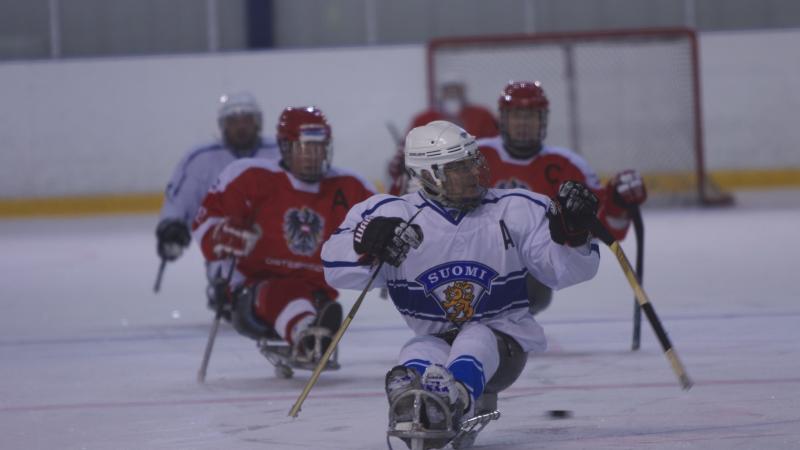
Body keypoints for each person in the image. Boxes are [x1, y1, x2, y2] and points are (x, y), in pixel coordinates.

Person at [321, 121, 600, 448]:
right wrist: (364, 241)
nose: (472, 173)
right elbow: (333, 267)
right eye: (458, 167)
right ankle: (415, 398)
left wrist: (574, 238)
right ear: (427, 174)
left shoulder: (517, 208)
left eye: (472, 162)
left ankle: (457, 398)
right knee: (418, 348)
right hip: (437, 338)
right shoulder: (391, 214)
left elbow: (567, 271)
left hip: (503, 347)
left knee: (476, 334)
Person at [192, 106, 375, 368]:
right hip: (252, 293)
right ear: (285, 147)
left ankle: (313, 331)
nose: (313, 156)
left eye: (319, 147)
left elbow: (387, 221)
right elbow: (205, 222)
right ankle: (307, 336)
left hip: (317, 294)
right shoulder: (249, 177)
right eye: (304, 148)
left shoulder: (350, 186)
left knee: (307, 297)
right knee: (282, 291)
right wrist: (224, 236)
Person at [478, 81, 648, 314]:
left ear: (543, 121)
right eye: (516, 116)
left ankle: (500, 329)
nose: (523, 124)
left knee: (528, 286)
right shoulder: (475, 156)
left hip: (528, 268)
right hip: (471, 255)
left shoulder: (568, 166)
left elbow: (606, 229)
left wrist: (617, 205)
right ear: (503, 119)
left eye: (531, 117)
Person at [155, 91, 279, 302]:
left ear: (257, 123)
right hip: (225, 242)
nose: (241, 127)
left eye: (247, 120)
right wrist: (172, 226)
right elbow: (181, 197)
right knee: (230, 284)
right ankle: (226, 288)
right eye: (233, 121)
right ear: (223, 125)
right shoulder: (201, 159)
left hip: (274, 241)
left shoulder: (279, 153)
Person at [387, 79, 498, 195]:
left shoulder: (482, 114)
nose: (452, 92)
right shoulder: (422, 118)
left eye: (456, 88)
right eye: (448, 89)